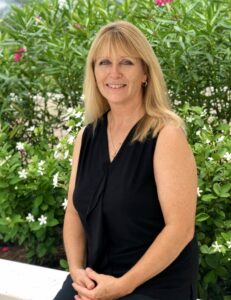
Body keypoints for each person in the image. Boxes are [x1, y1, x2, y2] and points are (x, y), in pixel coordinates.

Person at [54, 20, 198, 300]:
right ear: (94, 72)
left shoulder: (166, 136)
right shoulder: (87, 136)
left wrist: (122, 286)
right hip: (97, 276)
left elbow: (180, 230)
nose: (114, 73)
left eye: (127, 63)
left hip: (155, 284)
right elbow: (73, 210)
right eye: (104, 62)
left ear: (145, 71)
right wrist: (77, 271)